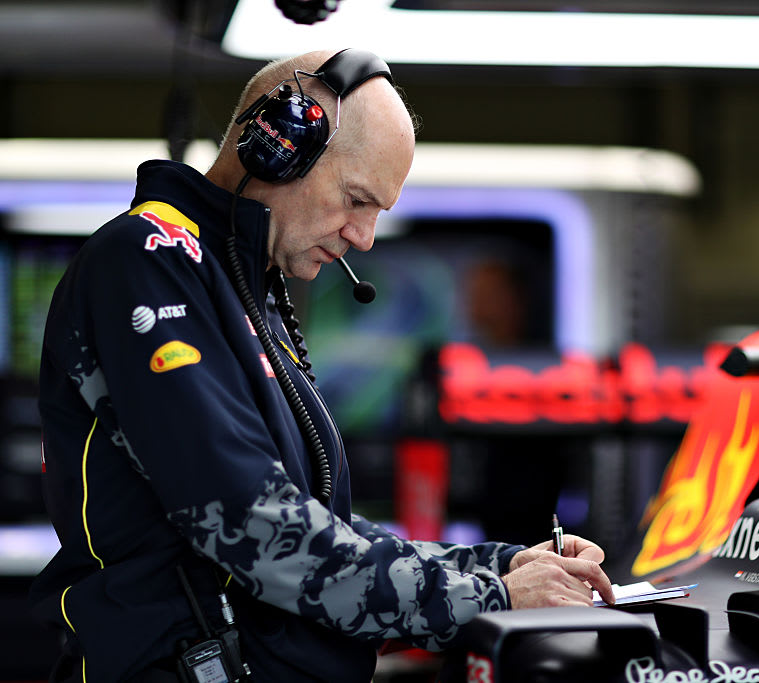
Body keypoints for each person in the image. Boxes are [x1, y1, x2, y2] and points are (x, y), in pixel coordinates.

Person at [29, 48, 614, 682]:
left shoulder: (239, 284)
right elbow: (253, 525)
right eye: (357, 200)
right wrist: (492, 599)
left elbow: (317, 523)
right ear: (281, 143)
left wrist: (498, 567)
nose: (363, 236)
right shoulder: (149, 259)